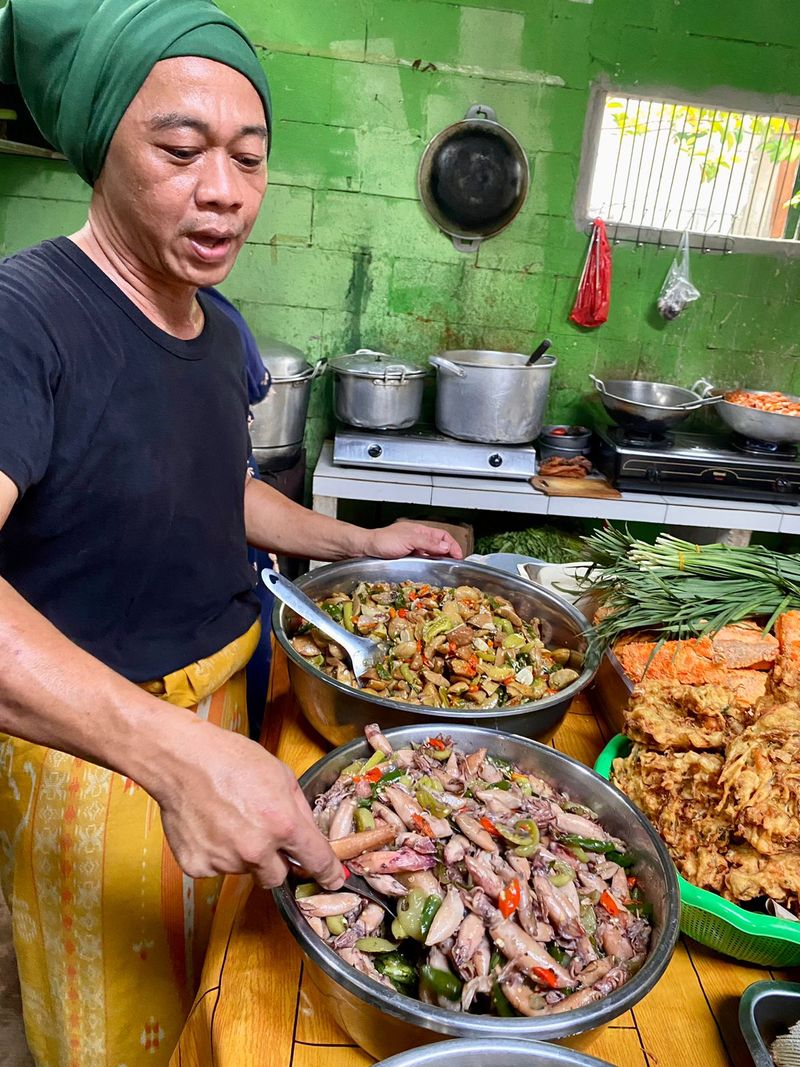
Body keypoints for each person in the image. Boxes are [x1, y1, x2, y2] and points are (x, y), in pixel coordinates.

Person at [0, 2, 462, 1064]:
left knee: (224, 1013)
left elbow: (212, 490)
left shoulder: (214, 326)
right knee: (116, 1036)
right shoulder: (26, 318)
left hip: (229, 721)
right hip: (96, 757)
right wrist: (168, 753)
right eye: (180, 149)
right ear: (100, 149)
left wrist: (359, 541)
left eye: (248, 159)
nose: (224, 190)